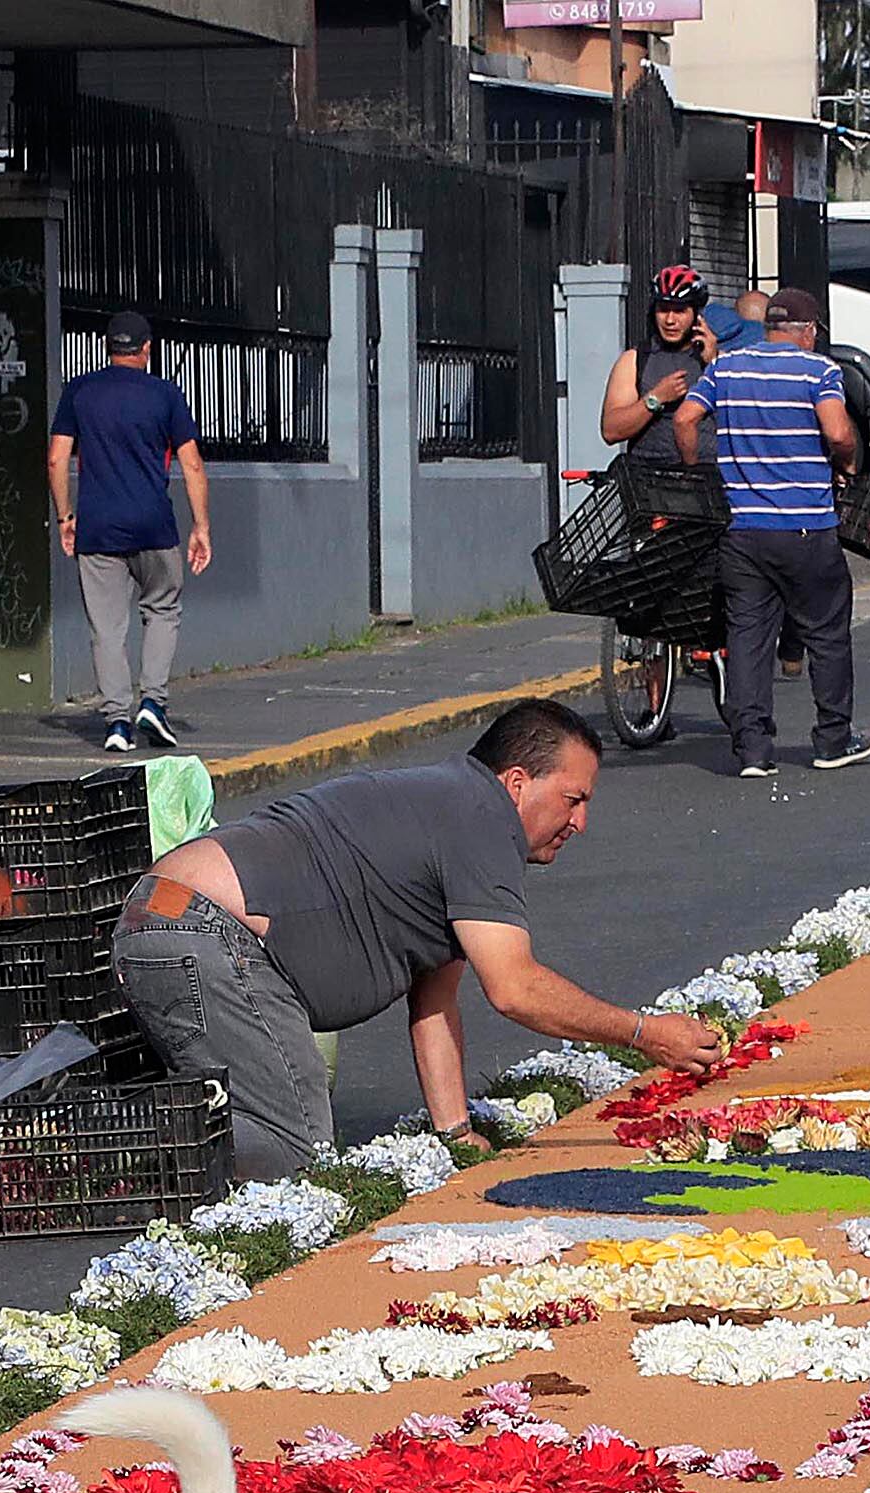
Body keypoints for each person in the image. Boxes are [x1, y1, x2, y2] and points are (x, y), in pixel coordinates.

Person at [105, 700, 727, 1179]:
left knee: (280, 1129)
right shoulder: (482, 821)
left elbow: (435, 998)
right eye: (573, 799)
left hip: (176, 925)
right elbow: (515, 989)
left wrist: (455, 1132)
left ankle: (144, 1140)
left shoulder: (455, 808)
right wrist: (646, 1034)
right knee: (295, 1150)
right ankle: (109, 1160)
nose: (581, 822)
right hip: (199, 932)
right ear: (516, 783)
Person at [674, 284, 870, 778]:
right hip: (807, 526)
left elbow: (684, 417)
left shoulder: (727, 368)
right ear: (807, 332)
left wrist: (698, 467)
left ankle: (753, 750)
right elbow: (837, 432)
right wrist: (847, 462)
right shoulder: (820, 371)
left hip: (743, 532)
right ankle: (831, 739)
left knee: (748, 637)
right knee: (826, 633)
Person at [49, 311, 213, 753]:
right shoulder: (165, 395)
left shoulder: (80, 392)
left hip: (98, 529)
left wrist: (66, 517)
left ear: (108, 348)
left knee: (107, 627)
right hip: (154, 525)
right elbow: (191, 463)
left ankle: (117, 722)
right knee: (162, 608)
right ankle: (153, 703)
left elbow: (56, 458)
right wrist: (201, 527)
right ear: (146, 349)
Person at [601, 263, 720, 469]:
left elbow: (742, 423)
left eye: (680, 311)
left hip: (709, 482)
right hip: (649, 482)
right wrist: (655, 398)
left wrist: (714, 364)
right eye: (663, 310)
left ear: (696, 314)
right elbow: (611, 431)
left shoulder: (720, 360)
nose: (670, 320)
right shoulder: (635, 360)